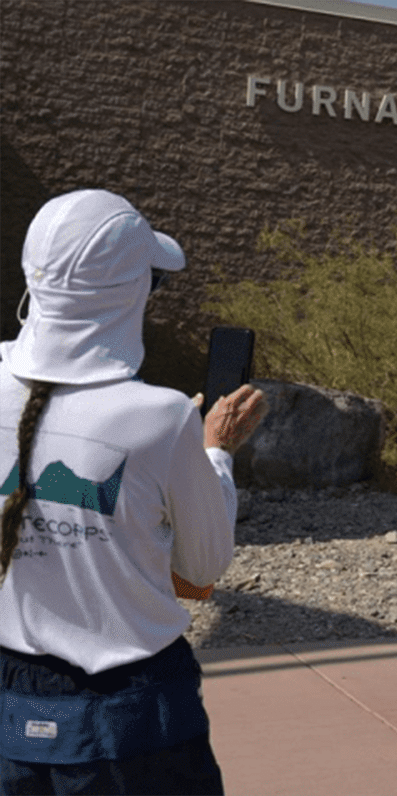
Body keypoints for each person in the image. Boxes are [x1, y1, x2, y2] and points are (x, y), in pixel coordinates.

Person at [0, 189, 268, 794]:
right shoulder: (161, 418)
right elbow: (204, 562)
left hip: (12, 706)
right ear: (131, 295)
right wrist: (216, 452)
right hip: (137, 722)